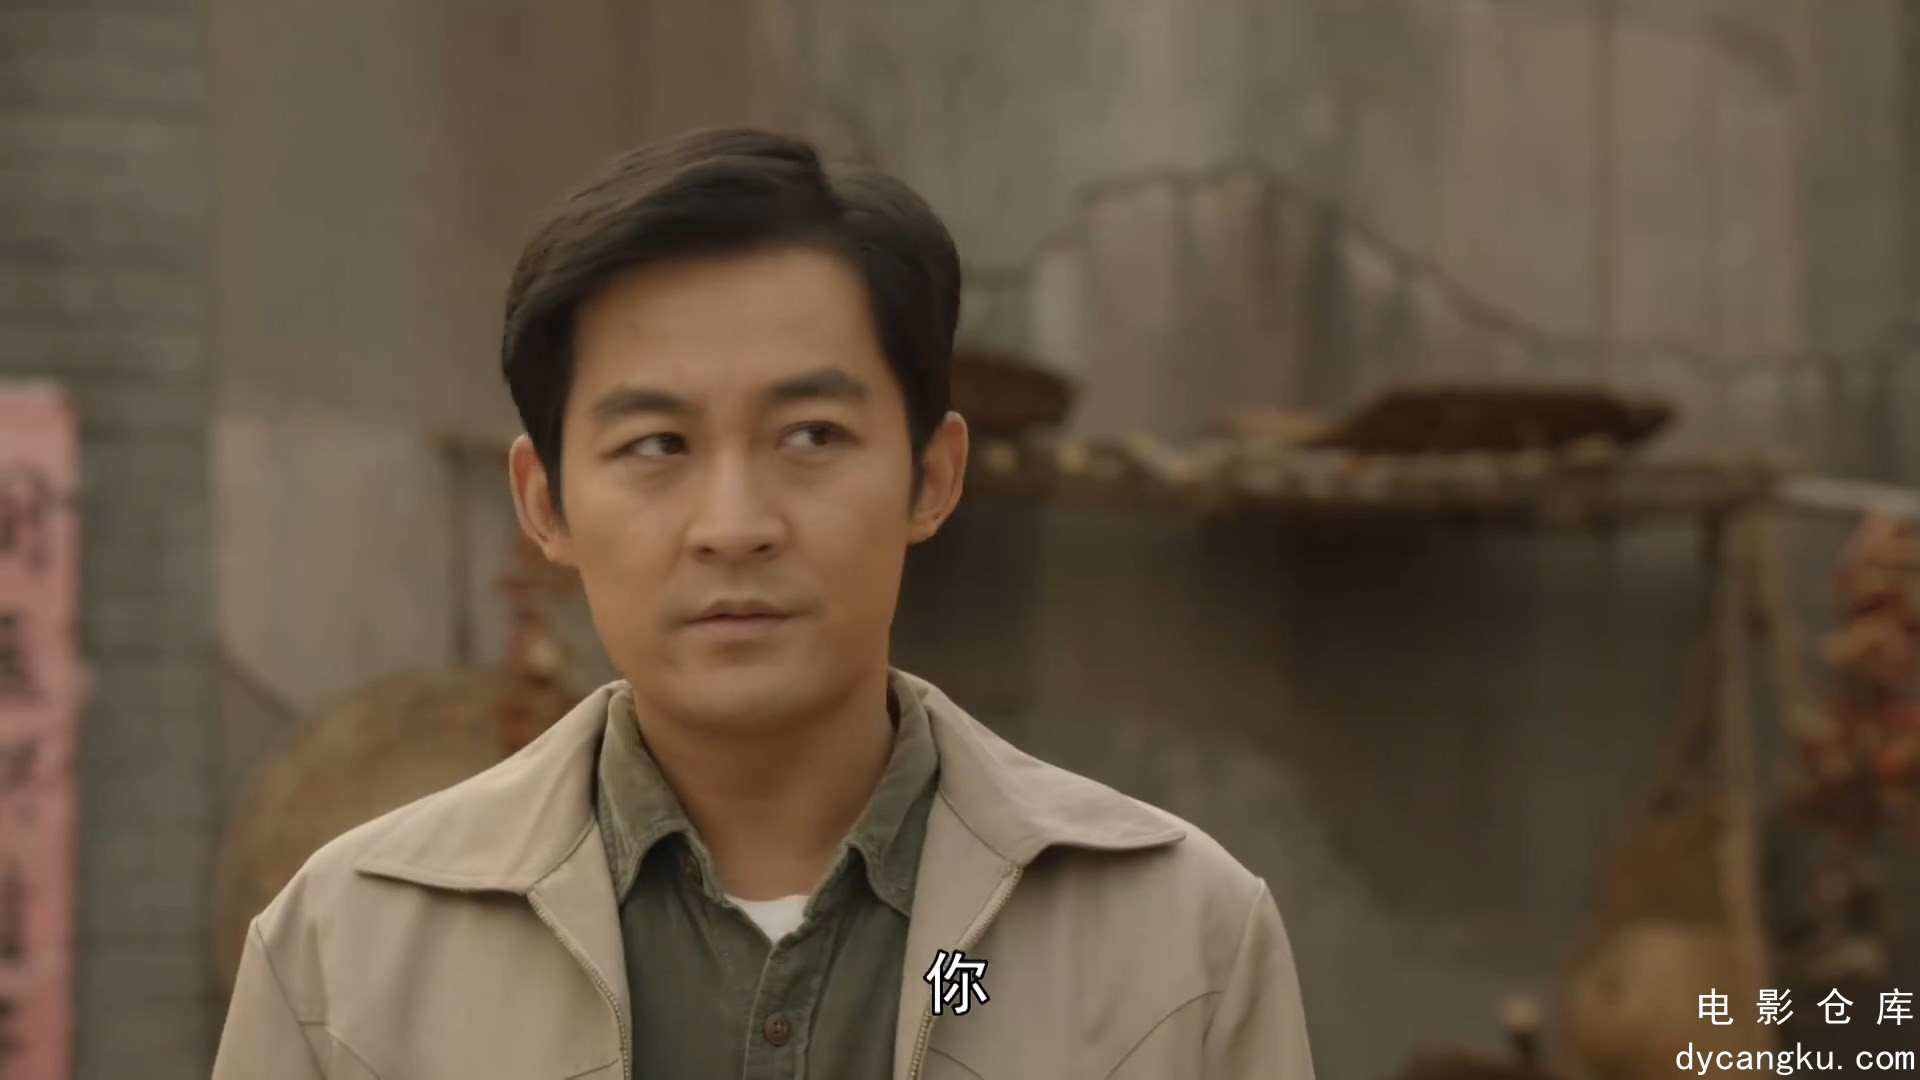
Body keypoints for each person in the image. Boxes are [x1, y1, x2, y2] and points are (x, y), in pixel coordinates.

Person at [211, 128, 1315, 1079]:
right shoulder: (349, 953)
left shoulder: (1177, 942)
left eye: (811, 435)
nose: (734, 524)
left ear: (932, 476)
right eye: (657, 445)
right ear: (545, 503)